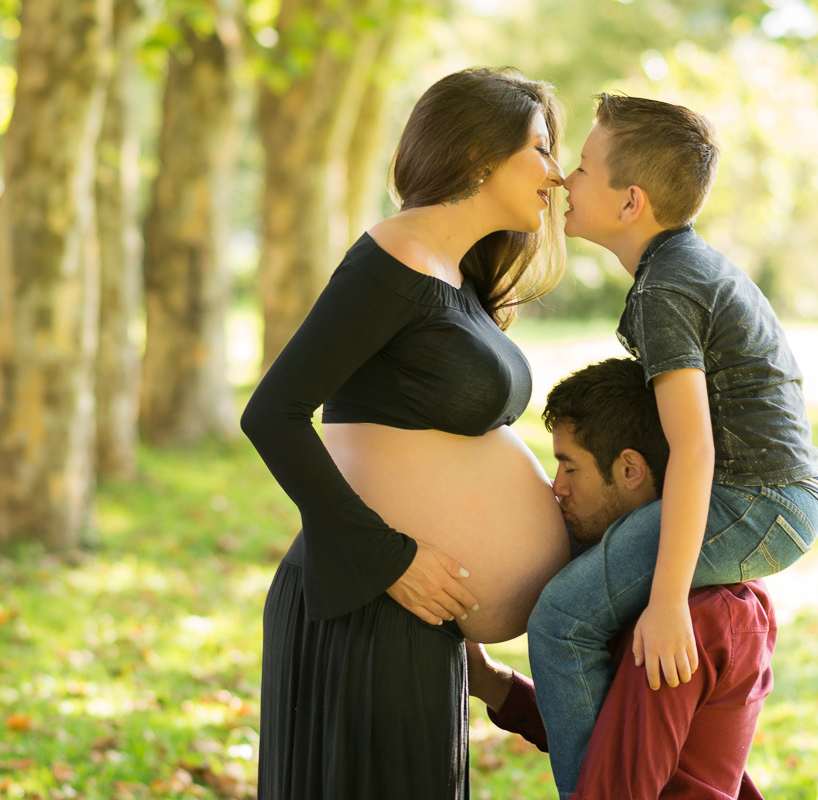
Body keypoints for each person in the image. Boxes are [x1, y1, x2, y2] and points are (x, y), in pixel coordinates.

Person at [240, 67, 573, 800]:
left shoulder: (452, 273)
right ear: (480, 154)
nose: (557, 174)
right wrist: (387, 560)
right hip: (370, 603)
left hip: (419, 616)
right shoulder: (392, 259)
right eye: (542, 149)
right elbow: (273, 414)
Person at [527, 94, 818, 797]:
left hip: (756, 500)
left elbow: (693, 450)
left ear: (630, 202)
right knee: (584, 581)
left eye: (580, 168)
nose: (563, 181)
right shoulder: (677, 270)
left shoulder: (668, 285)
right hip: (768, 496)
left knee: (563, 621)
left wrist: (667, 602)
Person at [471, 357, 778, 800]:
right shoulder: (629, 586)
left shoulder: (687, 617)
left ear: (630, 470)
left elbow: (618, 786)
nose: (557, 487)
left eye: (570, 467)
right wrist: (488, 681)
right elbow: (611, 731)